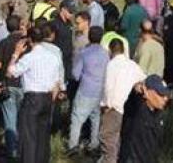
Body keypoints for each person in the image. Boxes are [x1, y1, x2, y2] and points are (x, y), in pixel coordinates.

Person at [8, 25, 62, 163]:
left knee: (29, 137)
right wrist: (52, 100)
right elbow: (56, 83)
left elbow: (10, 72)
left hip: (32, 99)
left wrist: (16, 53)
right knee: (43, 137)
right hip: (48, 98)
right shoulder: (53, 57)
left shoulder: (29, 58)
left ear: (30, 40)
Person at [100, 39, 147, 163]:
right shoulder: (132, 65)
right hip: (126, 108)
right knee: (119, 138)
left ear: (110, 50)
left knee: (108, 139)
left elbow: (109, 87)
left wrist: (105, 105)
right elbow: (144, 79)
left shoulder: (111, 65)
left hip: (113, 107)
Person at [67, 26, 109, 155]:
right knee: (95, 118)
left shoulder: (84, 53)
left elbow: (75, 74)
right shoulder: (106, 54)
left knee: (77, 118)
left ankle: (73, 145)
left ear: (89, 36)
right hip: (100, 90)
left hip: (85, 89)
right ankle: (94, 144)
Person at [119, 75, 171, 163]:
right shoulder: (137, 110)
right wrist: (137, 89)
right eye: (160, 94)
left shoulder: (159, 114)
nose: (165, 98)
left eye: (165, 94)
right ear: (147, 92)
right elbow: (133, 99)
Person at [0, 15, 26, 159]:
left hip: (8, 86)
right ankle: (23, 148)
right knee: (23, 120)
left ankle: (12, 153)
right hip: (24, 86)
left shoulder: (3, 43)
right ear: (20, 26)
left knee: (10, 120)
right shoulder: (26, 43)